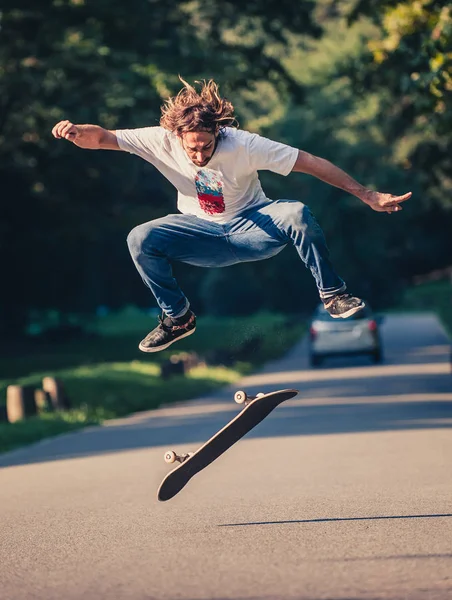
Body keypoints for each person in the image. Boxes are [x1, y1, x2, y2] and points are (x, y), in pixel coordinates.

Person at [52, 78, 411, 353]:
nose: (199, 154)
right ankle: (178, 318)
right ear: (177, 137)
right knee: (139, 238)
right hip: (199, 233)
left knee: (297, 213)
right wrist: (76, 132)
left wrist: (366, 194)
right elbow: (102, 138)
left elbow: (311, 163)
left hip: (252, 227)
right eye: (192, 148)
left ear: (218, 133)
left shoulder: (244, 144)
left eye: (207, 146)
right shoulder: (158, 139)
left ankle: (333, 295)